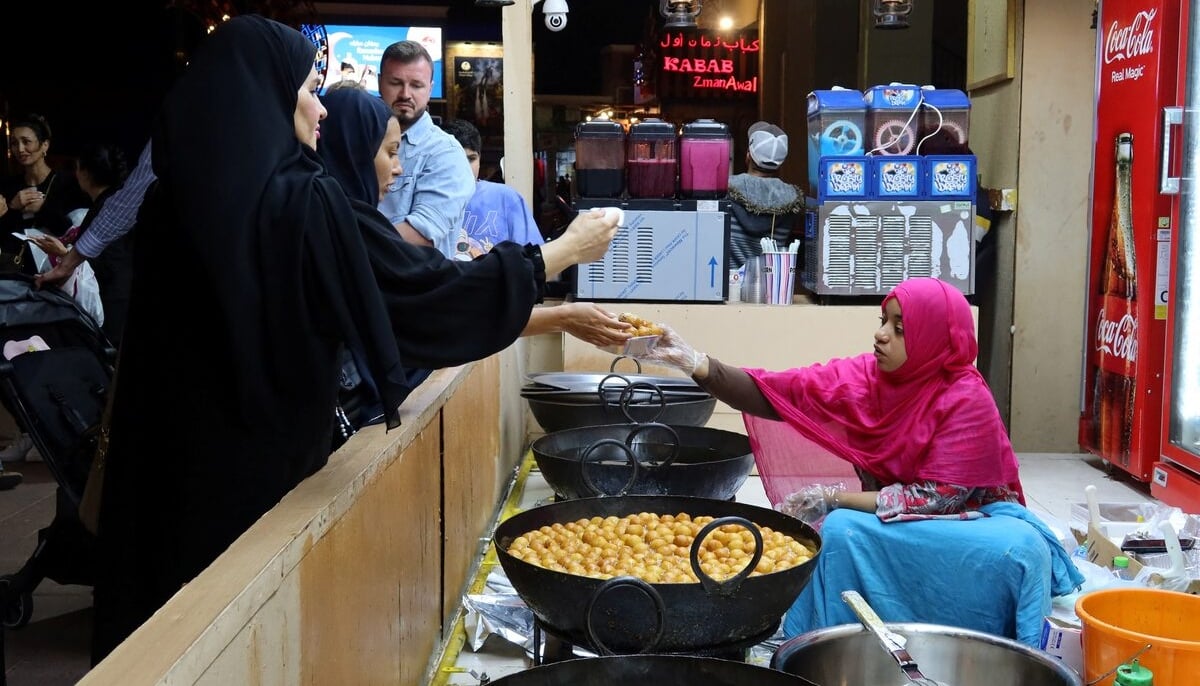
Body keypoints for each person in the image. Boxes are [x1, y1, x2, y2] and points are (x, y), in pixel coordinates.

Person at [88, 15, 620, 663]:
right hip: (259, 479)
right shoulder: (300, 203)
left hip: (162, 476)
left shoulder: (169, 207)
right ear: (267, 96)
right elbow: (420, 296)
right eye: (309, 89)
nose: (320, 109)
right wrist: (563, 251)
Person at [636, 277, 1083, 645]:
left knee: (1014, 550)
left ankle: (961, 636)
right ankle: (825, 637)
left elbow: (938, 498)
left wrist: (836, 497)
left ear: (934, 338)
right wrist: (695, 363)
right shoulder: (868, 379)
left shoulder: (964, 397)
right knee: (838, 532)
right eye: (883, 320)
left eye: (901, 328)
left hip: (971, 520)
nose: (881, 334)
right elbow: (780, 392)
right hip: (903, 518)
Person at [316, 87, 629, 440]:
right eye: (390, 153)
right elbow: (440, 299)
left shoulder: (343, 218)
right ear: (353, 152)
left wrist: (562, 316)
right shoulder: (341, 227)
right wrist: (569, 249)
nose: (400, 170)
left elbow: (437, 309)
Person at [439, 118, 630, 347]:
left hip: (496, 336)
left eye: (471, 159)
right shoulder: (425, 204)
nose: (463, 168)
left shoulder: (505, 199)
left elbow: (538, 269)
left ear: (481, 159)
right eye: (455, 160)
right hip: (444, 329)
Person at [376, 39, 475, 257]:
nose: (405, 94)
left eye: (416, 85)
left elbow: (420, 235)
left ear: (430, 89)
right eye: (395, 83)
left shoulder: (446, 153)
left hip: (415, 288)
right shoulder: (362, 142)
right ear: (379, 82)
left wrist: (346, 244)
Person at [31, 142, 132, 343]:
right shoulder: (118, 202)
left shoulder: (105, 211)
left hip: (112, 305)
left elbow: (106, 265)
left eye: (77, 168)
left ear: (85, 174)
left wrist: (63, 253)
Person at [0, 113, 89, 275]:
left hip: (55, 271)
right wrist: (12, 208)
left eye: (26, 142)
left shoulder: (67, 184)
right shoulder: (8, 186)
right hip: (17, 271)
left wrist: (43, 209)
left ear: (45, 145)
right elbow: (5, 235)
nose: (20, 149)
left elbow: (74, 232)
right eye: (14, 143)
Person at [725, 121, 804, 269]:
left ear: (748, 155)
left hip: (727, 286)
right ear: (780, 163)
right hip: (770, 286)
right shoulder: (792, 200)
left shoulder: (724, 190)